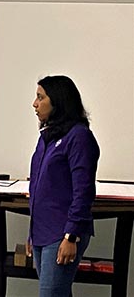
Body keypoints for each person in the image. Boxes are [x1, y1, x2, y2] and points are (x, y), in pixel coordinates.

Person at [26, 75, 100, 297]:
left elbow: (83, 190)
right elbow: (39, 185)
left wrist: (71, 236)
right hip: (42, 231)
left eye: (40, 97)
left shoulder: (79, 137)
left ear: (57, 101)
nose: (35, 103)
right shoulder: (47, 136)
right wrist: (32, 233)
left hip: (63, 233)